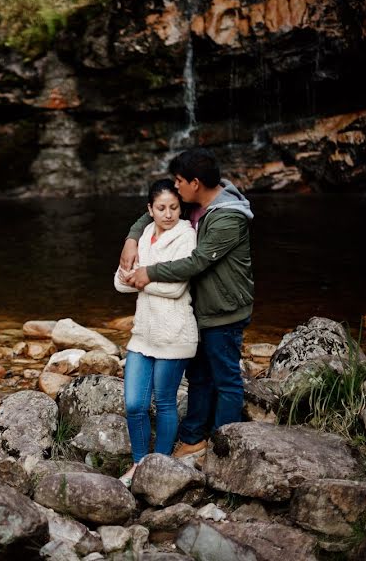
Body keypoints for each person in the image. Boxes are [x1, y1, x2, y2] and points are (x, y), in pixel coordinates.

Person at [120, 148, 254, 464]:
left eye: (179, 181)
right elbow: (153, 212)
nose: (175, 186)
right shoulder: (197, 201)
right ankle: (194, 438)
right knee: (199, 377)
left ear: (195, 183)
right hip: (199, 312)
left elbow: (194, 262)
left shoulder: (227, 218)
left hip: (224, 311)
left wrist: (148, 272)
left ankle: (224, 450)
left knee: (226, 381)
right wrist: (131, 237)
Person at [114, 179, 198, 486]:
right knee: (134, 403)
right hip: (143, 333)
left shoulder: (186, 235)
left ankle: (159, 465)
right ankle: (139, 463)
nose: (168, 214)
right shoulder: (144, 234)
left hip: (174, 334)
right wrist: (135, 277)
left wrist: (140, 278)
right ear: (150, 209)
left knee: (164, 402)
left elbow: (177, 287)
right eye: (161, 208)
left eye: (173, 207)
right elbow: (119, 283)